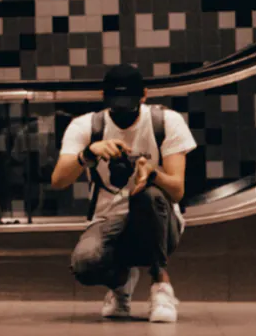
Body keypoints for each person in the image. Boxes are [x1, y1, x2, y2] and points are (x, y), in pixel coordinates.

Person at [51, 64, 197, 323]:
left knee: (149, 196)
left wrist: (152, 173)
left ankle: (161, 285)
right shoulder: (86, 126)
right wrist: (88, 155)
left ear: (144, 95)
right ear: (103, 97)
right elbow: (59, 180)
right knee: (84, 264)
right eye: (115, 102)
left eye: (128, 102)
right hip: (108, 219)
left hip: (160, 223)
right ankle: (121, 284)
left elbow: (177, 190)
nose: (122, 110)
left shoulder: (165, 122)